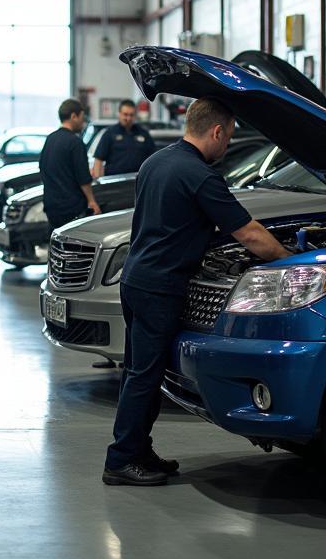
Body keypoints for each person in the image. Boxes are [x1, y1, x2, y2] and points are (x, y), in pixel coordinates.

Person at [103, 97, 290, 488]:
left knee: (138, 372)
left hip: (135, 279)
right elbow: (251, 234)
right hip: (160, 286)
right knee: (144, 376)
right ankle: (121, 460)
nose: (227, 145)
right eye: (229, 136)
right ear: (217, 131)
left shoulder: (156, 161)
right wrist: (292, 260)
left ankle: (137, 449)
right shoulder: (200, 175)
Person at [38, 99, 101, 232]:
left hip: (51, 207)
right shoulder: (75, 143)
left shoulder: (50, 139)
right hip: (71, 209)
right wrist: (91, 201)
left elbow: (43, 168)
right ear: (73, 116)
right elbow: (83, 177)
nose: (83, 123)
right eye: (81, 118)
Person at [91, 99, 154, 179]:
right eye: (125, 114)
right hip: (114, 182)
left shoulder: (143, 134)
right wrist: (98, 182)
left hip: (138, 181)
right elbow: (98, 160)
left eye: (131, 115)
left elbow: (153, 158)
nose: (128, 118)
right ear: (119, 114)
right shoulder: (110, 133)